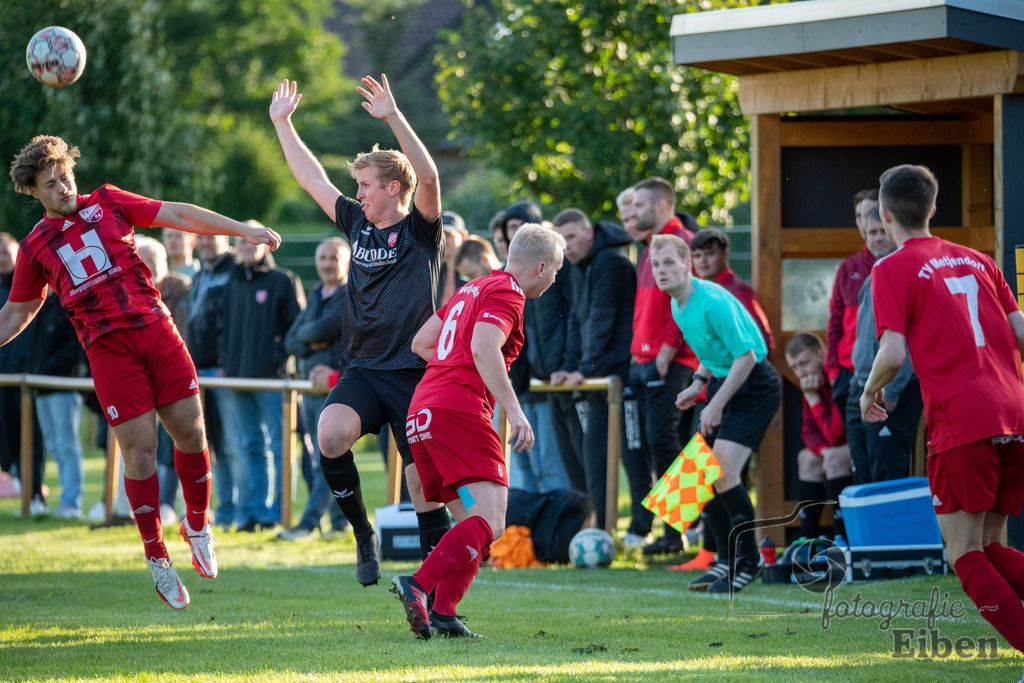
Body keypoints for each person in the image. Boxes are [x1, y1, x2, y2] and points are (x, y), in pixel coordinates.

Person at [1, 134, 281, 609]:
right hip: (109, 352)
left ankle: (196, 522)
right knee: (142, 454)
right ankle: (157, 557)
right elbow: (14, 315)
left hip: (156, 330)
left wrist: (240, 229)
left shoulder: (109, 201)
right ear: (33, 192)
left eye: (66, 176)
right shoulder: (33, 248)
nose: (63, 187)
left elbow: (178, 214)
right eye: (51, 185)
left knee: (192, 434)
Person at [270, 74, 449, 586]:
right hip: (365, 367)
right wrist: (283, 124)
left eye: (366, 185)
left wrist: (393, 116)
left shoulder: (420, 228)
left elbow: (431, 180)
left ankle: (437, 592)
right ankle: (362, 535)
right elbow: (312, 180)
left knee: (424, 491)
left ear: (394, 188)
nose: (358, 194)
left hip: (414, 373)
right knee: (330, 435)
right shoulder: (357, 223)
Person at [860, 163, 1024, 653]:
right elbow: (1018, 333)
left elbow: (891, 354)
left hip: (962, 421)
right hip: (1013, 414)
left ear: (884, 214)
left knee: (963, 556)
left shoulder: (890, 267)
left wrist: (869, 393)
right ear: (933, 208)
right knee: (991, 549)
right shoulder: (979, 260)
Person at [392, 223, 565, 639]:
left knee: (472, 521)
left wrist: (456, 368)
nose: (555, 279)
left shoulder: (471, 288)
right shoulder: (507, 292)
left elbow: (421, 343)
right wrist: (515, 413)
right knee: (492, 519)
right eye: (556, 271)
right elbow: (484, 348)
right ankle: (417, 585)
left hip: (423, 408)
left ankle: (446, 614)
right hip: (458, 409)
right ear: (540, 268)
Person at [651, 233, 781, 594]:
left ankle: (749, 561)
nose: (662, 271)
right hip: (726, 382)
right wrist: (697, 383)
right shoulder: (679, 305)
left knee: (722, 470)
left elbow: (747, 356)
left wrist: (717, 403)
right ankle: (723, 560)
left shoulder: (711, 299)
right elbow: (713, 353)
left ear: (687, 265)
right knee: (699, 472)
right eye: (656, 265)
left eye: (669, 263)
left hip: (754, 385)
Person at [552, 208, 636, 530]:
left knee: (637, 456)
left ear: (589, 232)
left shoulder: (610, 262)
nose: (567, 246)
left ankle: (648, 531)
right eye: (562, 240)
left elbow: (604, 317)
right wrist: (570, 366)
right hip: (599, 375)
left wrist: (585, 368)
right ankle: (597, 528)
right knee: (594, 454)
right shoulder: (577, 267)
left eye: (571, 237)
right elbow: (576, 320)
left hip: (625, 374)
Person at [627, 177, 698, 552]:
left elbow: (688, 298)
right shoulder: (652, 246)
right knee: (658, 444)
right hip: (645, 359)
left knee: (667, 441)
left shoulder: (679, 241)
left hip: (670, 361)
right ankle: (675, 533)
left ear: (659, 206)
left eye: (638, 205)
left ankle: (680, 532)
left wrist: (669, 348)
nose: (632, 212)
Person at [220, 229, 304, 531]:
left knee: (281, 447)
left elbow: (298, 327)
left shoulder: (283, 280)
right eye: (240, 240)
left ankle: (278, 513)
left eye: (250, 240)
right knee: (249, 447)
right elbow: (222, 328)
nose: (244, 245)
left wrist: (275, 356)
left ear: (265, 245)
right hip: (237, 380)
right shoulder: (230, 282)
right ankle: (254, 512)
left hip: (273, 380)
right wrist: (225, 363)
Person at [280, 237, 351, 540]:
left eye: (333, 258)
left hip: (338, 390)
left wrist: (314, 336)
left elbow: (323, 329)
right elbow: (291, 341)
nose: (327, 264)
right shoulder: (315, 294)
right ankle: (339, 521)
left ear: (347, 262)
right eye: (322, 258)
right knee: (318, 458)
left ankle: (308, 523)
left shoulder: (353, 295)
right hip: (310, 390)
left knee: (328, 456)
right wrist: (316, 340)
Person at [847, 205, 922, 484]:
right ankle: (870, 531)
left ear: (893, 230)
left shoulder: (903, 272)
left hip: (890, 390)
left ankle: (892, 531)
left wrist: (891, 389)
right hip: (863, 385)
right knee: (863, 475)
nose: (877, 238)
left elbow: (906, 343)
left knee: (887, 474)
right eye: (871, 232)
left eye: (882, 231)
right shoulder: (875, 275)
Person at [137, 235, 193, 526]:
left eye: (152, 261)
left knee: (181, 441)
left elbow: (179, 334)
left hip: (174, 376)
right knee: (149, 445)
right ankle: (157, 505)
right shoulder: (133, 290)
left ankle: (179, 505)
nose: (147, 266)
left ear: (164, 263)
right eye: (141, 260)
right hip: (143, 381)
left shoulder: (181, 287)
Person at [185, 234, 240, 529]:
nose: (205, 243)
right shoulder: (199, 275)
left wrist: (225, 364)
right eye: (201, 238)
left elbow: (234, 325)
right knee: (213, 444)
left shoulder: (233, 270)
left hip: (222, 372)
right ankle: (226, 508)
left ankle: (242, 510)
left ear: (226, 240)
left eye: (211, 237)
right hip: (198, 372)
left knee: (235, 443)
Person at [784, 332, 853, 539]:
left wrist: (813, 397)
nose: (800, 373)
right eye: (794, 367)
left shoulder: (837, 377)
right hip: (837, 448)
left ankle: (842, 541)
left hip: (861, 447)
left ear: (821, 354)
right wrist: (823, 450)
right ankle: (808, 541)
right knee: (805, 458)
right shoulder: (812, 382)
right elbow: (808, 433)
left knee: (832, 459)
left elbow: (836, 435)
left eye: (804, 363)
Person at [0, 231, 47, 513]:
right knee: (7, 437)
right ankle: (19, 488)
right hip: (2, 378)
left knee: (32, 440)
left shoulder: (27, 285)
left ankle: (35, 496)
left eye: (6, 252)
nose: (2, 259)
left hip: (28, 378)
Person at [28, 289, 85, 519]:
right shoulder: (38, 306)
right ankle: (65, 502)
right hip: (40, 388)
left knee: (66, 446)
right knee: (53, 445)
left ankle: (71, 504)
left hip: (63, 387)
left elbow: (72, 349)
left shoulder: (67, 305)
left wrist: (44, 369)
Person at [827, 189, 879, 418]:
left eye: (869, 213)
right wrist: (833, 373)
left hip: (888, 374)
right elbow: (835, 324)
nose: (863, 221)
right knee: (857, 451)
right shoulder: (848, 268)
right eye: (859, 216)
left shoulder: (902, 262)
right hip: (849, 374)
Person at [690, 228, 774, 355]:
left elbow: (762, 340)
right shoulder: (699, 291)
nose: (703, 261)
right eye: (697, 256)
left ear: (725, 256)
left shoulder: (736, 291)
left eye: (710, 254)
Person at [436, 211, 469, 307]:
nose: (442, 240)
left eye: (448, 235)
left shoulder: (472, 271)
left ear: (463, 236)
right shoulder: (436, 272)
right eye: (439, 235)